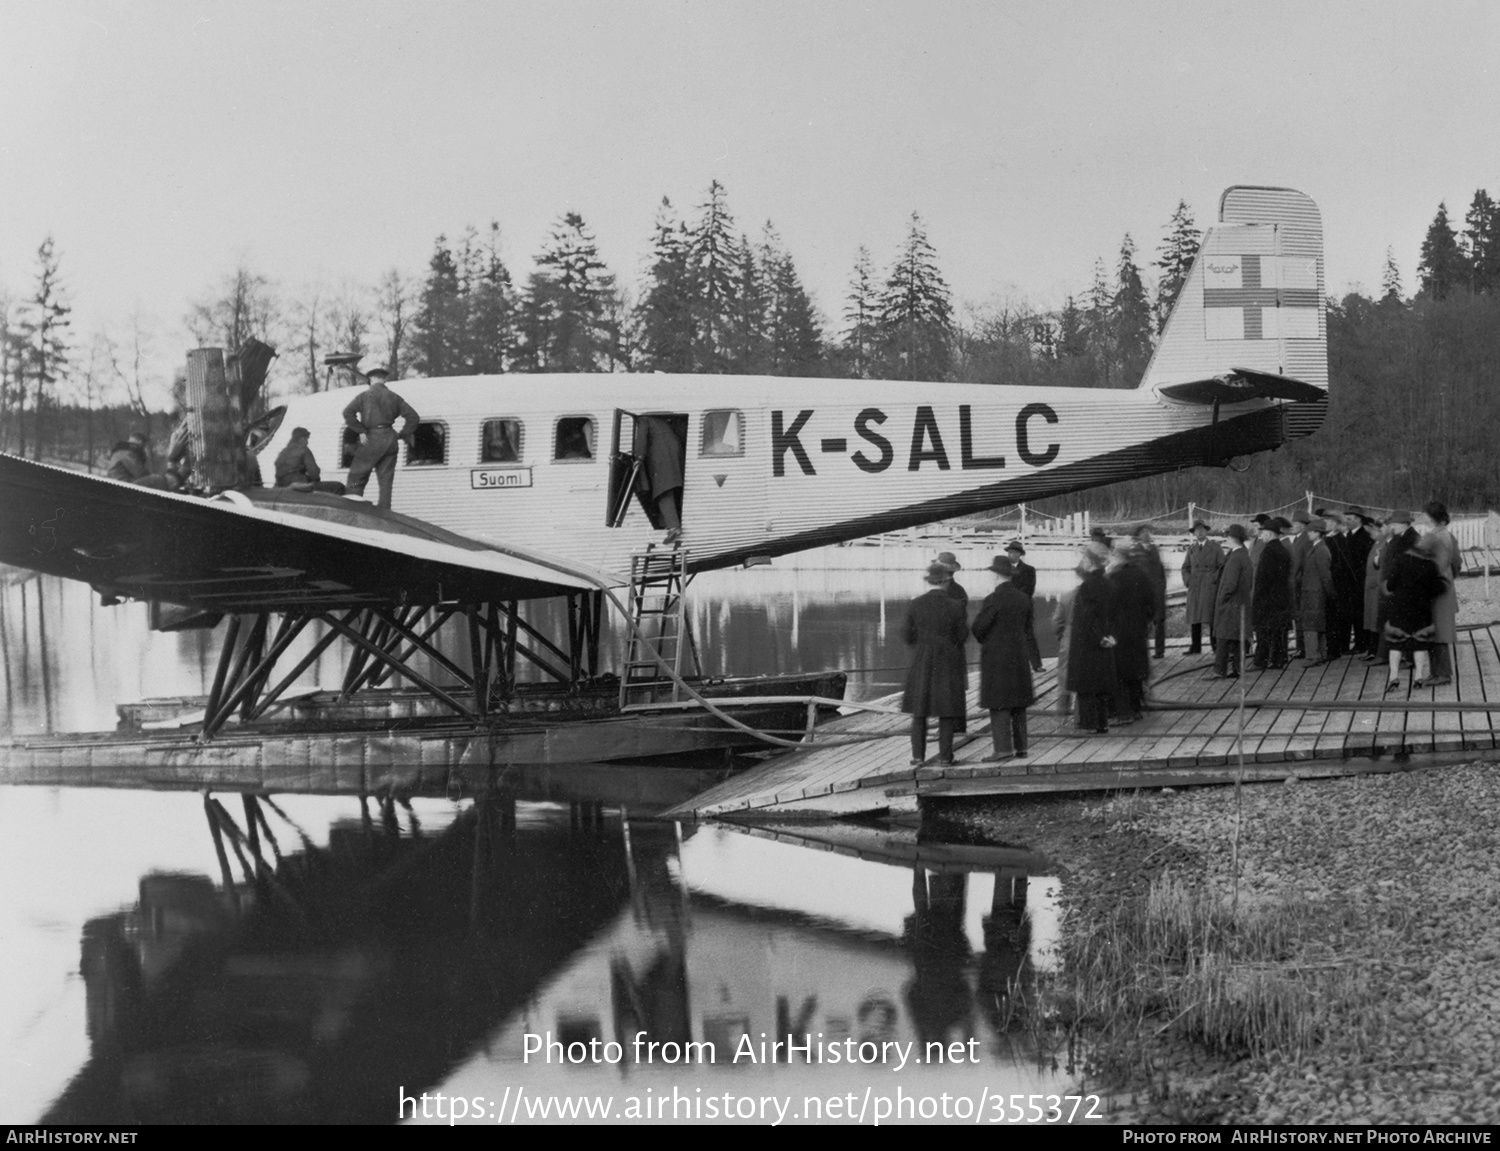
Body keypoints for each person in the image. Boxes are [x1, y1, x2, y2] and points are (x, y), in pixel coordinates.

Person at [901, 562, 970, 766]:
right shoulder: (955, 605)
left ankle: (917, 756)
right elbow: (963, 635)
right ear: (945, 582)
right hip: (947, 660)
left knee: (919, 710)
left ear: (929, 582)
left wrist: (922, 645)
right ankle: (946, 758)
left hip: (922, 659)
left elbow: (907, 635)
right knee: (946, 710)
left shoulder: (915, 604)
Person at [971, 556, 1035, 761]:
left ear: (996, 575)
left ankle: (1003, 749)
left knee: (999, 703)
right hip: (1019, 654)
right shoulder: (1024, 598)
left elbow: (978, 628)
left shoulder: (993, 599)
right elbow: (1027, 628)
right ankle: (1022, 747)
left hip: (997, 657)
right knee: (1018, 702)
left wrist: (989, 641)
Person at [341, 366, 419, 509]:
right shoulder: (394, 397)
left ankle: (352, 510)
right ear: (384, 379)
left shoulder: (364, 396)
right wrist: (403, 434)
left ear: (371, 379)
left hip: (370, 439)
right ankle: (385, 514)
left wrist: (361, 430)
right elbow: (413, 417)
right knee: (386, 482)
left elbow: (348, 413)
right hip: (390, 439)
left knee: (356, 478)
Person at [1383, 534, 1447, 692]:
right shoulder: (1430, 565)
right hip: (1421, 609)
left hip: (1399, 608)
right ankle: (1418, 677)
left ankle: (1393, 677)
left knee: (1396, 644)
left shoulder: (1400, 560)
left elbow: (1390, 585)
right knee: (1419, 644)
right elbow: (1437, 588)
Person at [1067, 551, 1116, 733]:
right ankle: (1102, 723)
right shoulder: (1108, 583)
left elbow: (1087, 617)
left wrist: (1099, 637)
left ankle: (1088, 725)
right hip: (1104, 642)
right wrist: (1109, 636)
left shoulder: (1087, 586)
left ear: (1092, 563)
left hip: (1087, 644)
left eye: (1086, 558)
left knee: (1086, 687)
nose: (1082, 561)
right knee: (1101, 686)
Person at [1109, 543, 1156, 722]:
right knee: (1136, 671)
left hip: (1120, 631)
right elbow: (1151, 602)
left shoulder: (1114, 577)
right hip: (1138, 630)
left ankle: (1124, 712)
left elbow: (1109, 607)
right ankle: (1136, 709)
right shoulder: (1141, 576)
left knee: (1121, 673)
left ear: (1118, 557)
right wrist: (1147, 620)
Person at [1420, 501, 1461, 687]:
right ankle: (1437, 672)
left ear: (1431, 516)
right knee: (1435, 630)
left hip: (1436, 590)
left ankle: (1442, 673)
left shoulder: (1435, 536)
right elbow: (1456, 564)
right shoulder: (1445, 535)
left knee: (1439, 632)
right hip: (1441, 588)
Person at [633, 415, 685, 544]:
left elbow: (641, 438)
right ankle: (667, 523)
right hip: (672, 448)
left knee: (663, 489)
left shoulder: (644, 419)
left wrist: (639, 458)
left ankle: (673, 526)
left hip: (660, 452)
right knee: (671, 486)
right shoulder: (660, 421)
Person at [1210, 524, 1252, 679]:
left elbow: (1230, 584)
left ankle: (1219, 671)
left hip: (1230, 604)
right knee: (1237, 638)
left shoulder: (1235, 558)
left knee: (1223, 638)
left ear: (1234, 538)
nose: (1226, 539)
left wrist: (1222, 599)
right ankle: (1237, 669)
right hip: (1240, 603)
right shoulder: (1244, 555)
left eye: (1228, 536)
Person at [1251, 517, 1293, 669]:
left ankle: (1261, 660)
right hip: (1281, 596)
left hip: (1268, 598)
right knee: (1279, 631)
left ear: (1269, 534)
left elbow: (1264, 577)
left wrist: (1258, 597)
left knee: (1265, 630)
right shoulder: (1282, 549)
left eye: (1262, 532)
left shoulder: (1268, 551)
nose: (1260, 535)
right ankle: (1278, 659)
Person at [1181, 520, 1223, 654]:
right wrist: (1188, 580)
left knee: (1211, 617)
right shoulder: (1191, 549)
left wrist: (1213, 579)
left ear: (1206, 531)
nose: (1199, 532)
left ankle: (1215, 646)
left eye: (1202, 529)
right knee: (1195, 617)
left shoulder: (1215, 548)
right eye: (1196, 530)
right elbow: (1185, 567)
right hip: (1195, 586)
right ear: (1194, 533)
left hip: (1209, 586)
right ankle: (1195, 646)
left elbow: (1222, 567)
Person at [1300, 518, 1336, 665]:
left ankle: (1313, 656)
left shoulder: (1321, 550)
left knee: (1311, 625)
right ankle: (1320, 654)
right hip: (1314, 593)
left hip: (1315, 594)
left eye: (1311, 531)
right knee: (1317, 625)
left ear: (1318, 533)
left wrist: (1330, 593)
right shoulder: (1317, 548)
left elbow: (1326, 575)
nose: (1308, 534)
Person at [1004, 541, 1044, 671]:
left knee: (1029, 636)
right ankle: (1010, 665)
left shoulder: (1029, 570)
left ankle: (1036, 665)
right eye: (1009, 552)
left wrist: (1015, 599)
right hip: (1008, 608)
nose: (1011, 555)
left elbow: (1029, 589)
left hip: (1024, 607)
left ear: (1020, 554)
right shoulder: (1004, 570)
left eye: (1014, 552)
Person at [274, 427, 346, 495]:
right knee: (339, 486)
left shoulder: (283, 452)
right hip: (300, 485)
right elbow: (314, 472)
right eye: (306, 439)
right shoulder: (304, 450)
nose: (307, 442)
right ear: (302, 439)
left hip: (282, 485)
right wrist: (315, 479)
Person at [1131, 524, 1168, 659]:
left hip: (1157, 593)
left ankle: (1160, 651)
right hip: (1142, 593)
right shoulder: (1135, 552)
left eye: (1148, 532)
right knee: (1142, 623)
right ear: (1139, 536)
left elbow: (1161, 571)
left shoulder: (1155, 550)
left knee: (1159, 622)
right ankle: (1142, 651)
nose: (1146, 535)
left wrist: (1162, 587)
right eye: (1143, 533)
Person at [1287, 508, 1314, 657]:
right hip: (1297, 582)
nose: (1294, 525)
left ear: (1304, 524)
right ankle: (1300, 646)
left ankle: (1302, 648)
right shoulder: (1298, 539)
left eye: (1297, 523)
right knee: (1298, 616)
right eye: (1294, 522)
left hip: (1301, 583)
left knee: (1301, 616)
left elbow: (1303, 563)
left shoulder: (1306, 539)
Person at [105, 432, 171, 490]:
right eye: (144, 446)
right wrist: (147, 458)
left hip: (119, 484)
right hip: (123, 485)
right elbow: (140, 473)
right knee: (159, 479)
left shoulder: (122, 450)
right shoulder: (128, 453)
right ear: (140, 442)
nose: (143, 449)